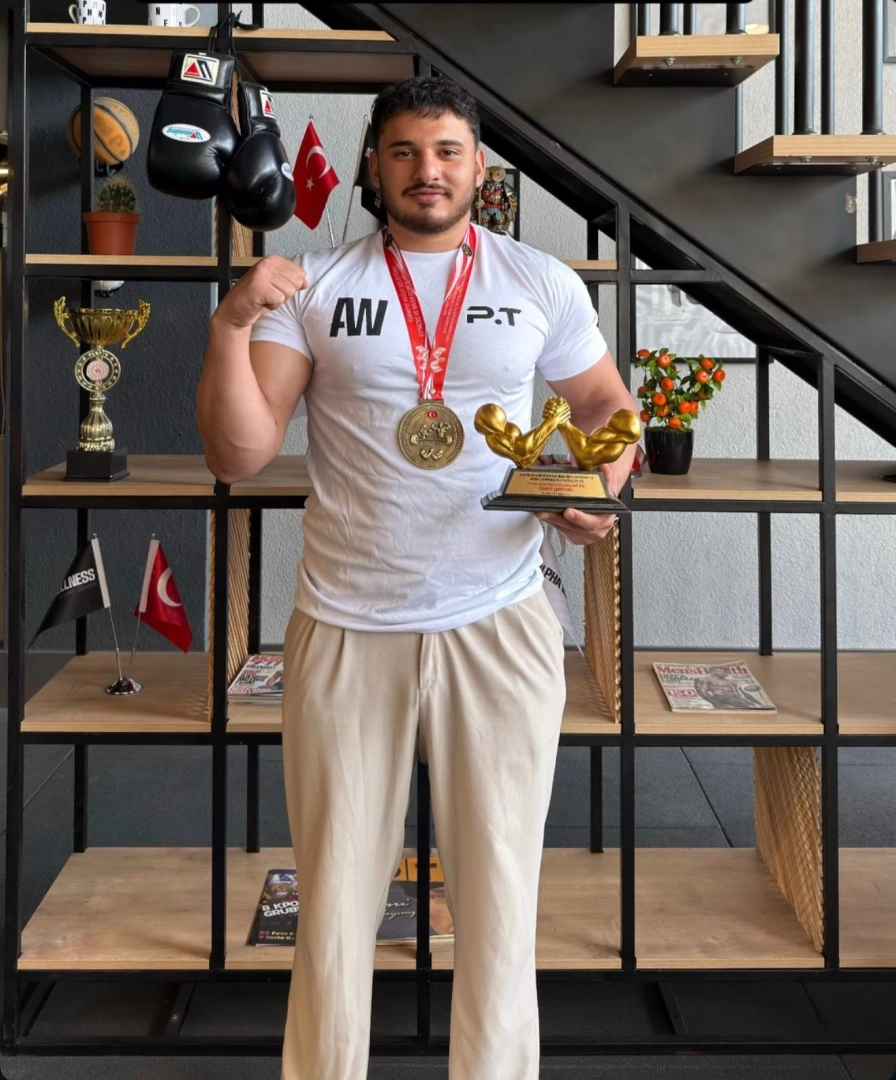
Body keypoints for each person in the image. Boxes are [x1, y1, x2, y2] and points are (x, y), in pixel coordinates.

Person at [196, 75, 637, 1080]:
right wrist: (230, 327)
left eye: (445, 151)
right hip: (347, 625)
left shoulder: (539, 280)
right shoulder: (314, 286)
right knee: (334, 904)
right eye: (402, 151)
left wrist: (597, 485)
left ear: (479, 167)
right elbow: (239, 453)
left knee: (500, 898)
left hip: (501, 621)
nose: (425, 171)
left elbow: (607, 404)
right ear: (374, 167)